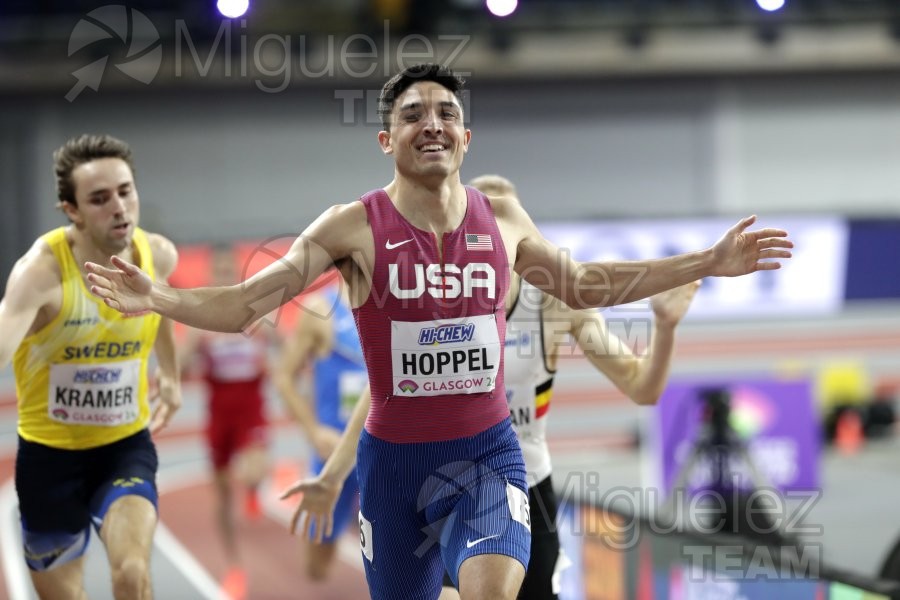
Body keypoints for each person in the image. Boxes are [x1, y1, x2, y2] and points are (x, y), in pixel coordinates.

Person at [84, 63, 792, 600]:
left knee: (492, 587)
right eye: (414, 113)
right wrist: (160, 299)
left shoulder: (503, 222)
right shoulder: (350, 226)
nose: (433, 123)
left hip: (489, 454)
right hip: (392, 469)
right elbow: (245, 305)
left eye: (447, 113)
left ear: (465, 136)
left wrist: (707, 262)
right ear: (387, 138)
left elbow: (584, 285)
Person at [438, 174, 701, 599]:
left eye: (507, 220)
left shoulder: (554, 304)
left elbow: (641, 388)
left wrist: (665, 327)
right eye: (485, 221)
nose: (497, 233)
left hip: (529, 485)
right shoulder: (438, 299)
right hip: (454, 483)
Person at [0, 134, 181, 599]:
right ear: (72, 210)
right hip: (49, 460)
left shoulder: (157, 255)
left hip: (124, 447)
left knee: (131, 574)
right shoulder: (40, 274)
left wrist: (172, 376)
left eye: (125, 191)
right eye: (99, 199)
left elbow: (158, 308)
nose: (119, 208)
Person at [179, 246, 273, 600]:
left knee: (252, 471)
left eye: (226, 270)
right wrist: (192, 347)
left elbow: (283, 345)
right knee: (221, 495)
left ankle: (252, 487)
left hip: (251, 410)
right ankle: (234, 566)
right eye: (216, 271)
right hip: (219, 416)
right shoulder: (201, 321)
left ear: (235, 274)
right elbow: (184, 365)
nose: (222, 277)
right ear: (209, 276)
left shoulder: (254, 314)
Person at [272, 282, 368, 582]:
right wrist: (314, 432)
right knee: (318, 566)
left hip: (383, 449)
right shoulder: (320, 310)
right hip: (333, 452)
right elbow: (284, 377)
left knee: (401, 554)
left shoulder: (402, 304)